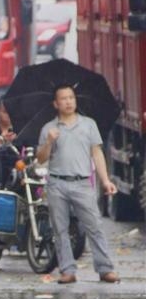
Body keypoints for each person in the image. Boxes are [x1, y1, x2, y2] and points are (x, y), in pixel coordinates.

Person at [37, 84, 120, 284]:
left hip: (82, 183)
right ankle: (67, 269)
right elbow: (41, 159)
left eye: (71, 98)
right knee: (60, 229)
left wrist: (105, 180)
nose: (68, 102)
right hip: (57, 183)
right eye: (63, 99)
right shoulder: (49, 128)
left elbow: (97, 153)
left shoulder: (88, 124)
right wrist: (48, 142)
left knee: (95, 226)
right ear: (56, 104)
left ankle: (105, 268)